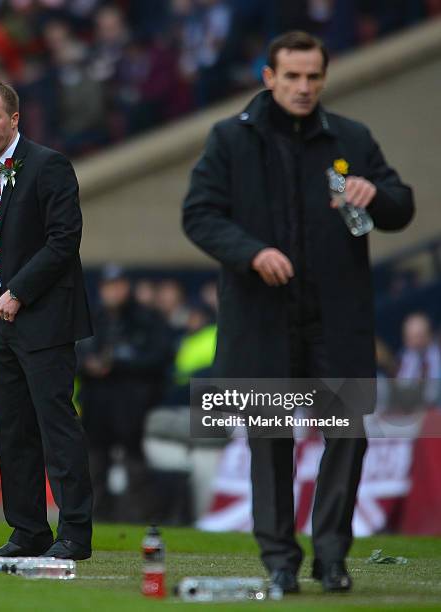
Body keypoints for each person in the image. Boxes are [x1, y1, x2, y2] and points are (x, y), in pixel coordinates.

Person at [182, 31, 414, 593]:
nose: (304, 87)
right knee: (269, 439)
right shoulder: (229, 139)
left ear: (324, 79)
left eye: (313, 77)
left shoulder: (352, 139)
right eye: (292, 76)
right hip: (263, 317)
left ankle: (331, 556)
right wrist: (252, 252)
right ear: (269, 78)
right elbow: (200, 215)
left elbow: (401, 207)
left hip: (335, 319)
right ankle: (280, 561)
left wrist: (374, 196)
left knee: (347, 435)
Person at [0, 79, 93, 561]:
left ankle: (75, 534)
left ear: (15, 119)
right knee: (13, 430)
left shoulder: (49, 165)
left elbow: (64, 240)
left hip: (43, 321)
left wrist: (18, 290)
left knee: (56, 427)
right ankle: (27, 530)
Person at [78, 265, 173, 522]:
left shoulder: (146, 318)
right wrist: (88, 364)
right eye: (108, 287)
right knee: (94, 466)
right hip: (97, 403)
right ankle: (95, 520)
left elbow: (161, 357)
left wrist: (120, 362)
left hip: (133, 403)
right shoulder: (91, 318)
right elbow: (72, 357)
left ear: (126, 287)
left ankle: (141, 520)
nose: (113, 292)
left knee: (136, 466)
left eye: (117, 285)